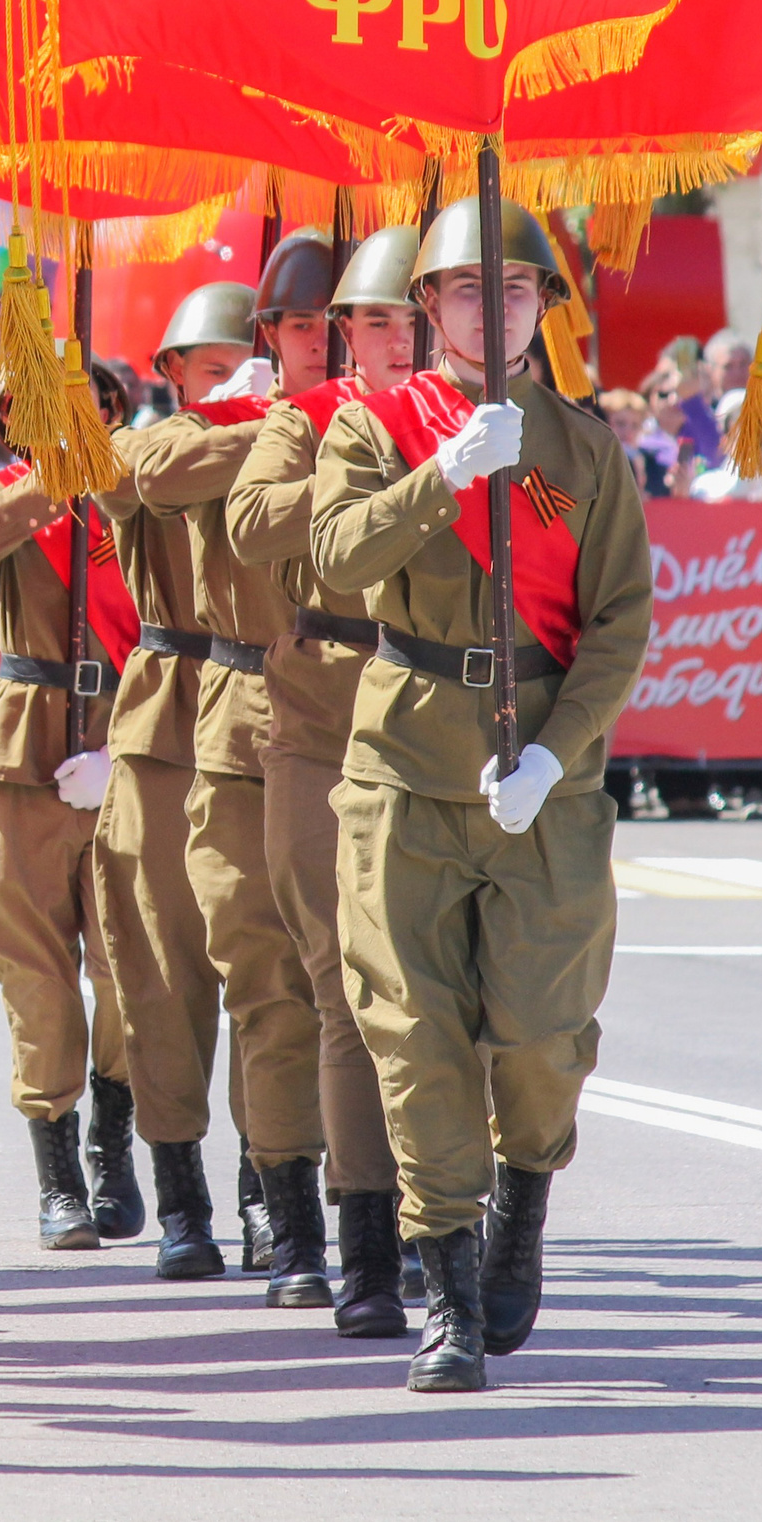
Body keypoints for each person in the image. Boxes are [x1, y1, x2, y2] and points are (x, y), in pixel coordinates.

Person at [309, 198, 652, 1393]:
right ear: (427, 308)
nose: (490, 307)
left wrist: (558, 754)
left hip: (540, 768)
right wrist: (438, 478)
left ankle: (522, 1204)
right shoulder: (375, 429)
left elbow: (617, 627)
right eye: (466, 289)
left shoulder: (584, 450)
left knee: (542, 1039)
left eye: (514, 289)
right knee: (412, 1037)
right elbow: (335, 556)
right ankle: (446, 1293)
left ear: (541, 310)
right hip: (404, 757)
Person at [133, 236, 346, 1305]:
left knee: (380, 985)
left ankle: (393, 1209)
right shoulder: (226, 421)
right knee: (253, 976)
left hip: (364, 708)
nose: (324, 341)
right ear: (268, 338)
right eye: (303, 324)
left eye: (338, 322)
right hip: (241, 718)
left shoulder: (391, 417)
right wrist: (267, 418)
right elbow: (151, 474)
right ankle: (278, 1204)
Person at [226, 221, 422, 1338]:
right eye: (370, 322)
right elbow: (253, 525)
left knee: (450, 994)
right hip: (319, 719)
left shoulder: (476, 425)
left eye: (407, 317)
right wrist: (368, 475)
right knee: (337, 983)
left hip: (439, 714)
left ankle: (451, 1216)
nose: (390, 341)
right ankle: (355, 1238)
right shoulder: (306, 424)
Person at [0, 368, 142, 1251]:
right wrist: (53, 476)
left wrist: (126, 745)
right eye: (43, 405)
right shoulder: (4, 490)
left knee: (133, 965)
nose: (70, 419)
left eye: (87, 405)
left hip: (133, 737)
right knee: (34, 973)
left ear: (116, 413)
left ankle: (115, 1145)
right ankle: (57, 1169)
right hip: (26, 745)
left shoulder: (143, 492)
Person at [92, 280, 251, 1284]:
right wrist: (263, 417)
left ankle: (274, 1190)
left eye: (250, 359)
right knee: (160, 972)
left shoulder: (306, 434)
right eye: (212, 367)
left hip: (271, 707)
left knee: (275, 975)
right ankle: (182, 1191)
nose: (232, 379)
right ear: (171, 374)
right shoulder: (145, 442)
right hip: (166, 715)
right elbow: (139, 477)